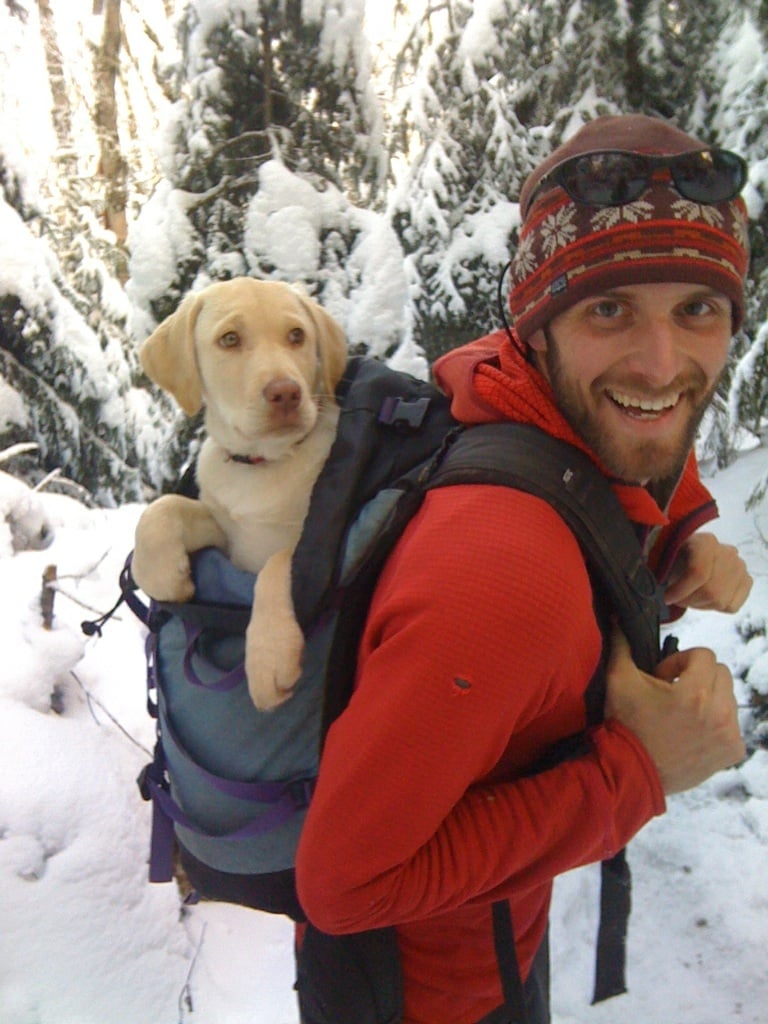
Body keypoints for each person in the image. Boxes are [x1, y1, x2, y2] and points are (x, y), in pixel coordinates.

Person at [294, 114, 753, 1024]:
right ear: (539, 328)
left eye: (697, 309)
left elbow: (621, 448)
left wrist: (671, 548)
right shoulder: (500, 577)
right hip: (434, 996)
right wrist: (640, 771)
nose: (663, 364)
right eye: (609, 308)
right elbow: (344, 887)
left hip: (492, 935)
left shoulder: (511, 398)